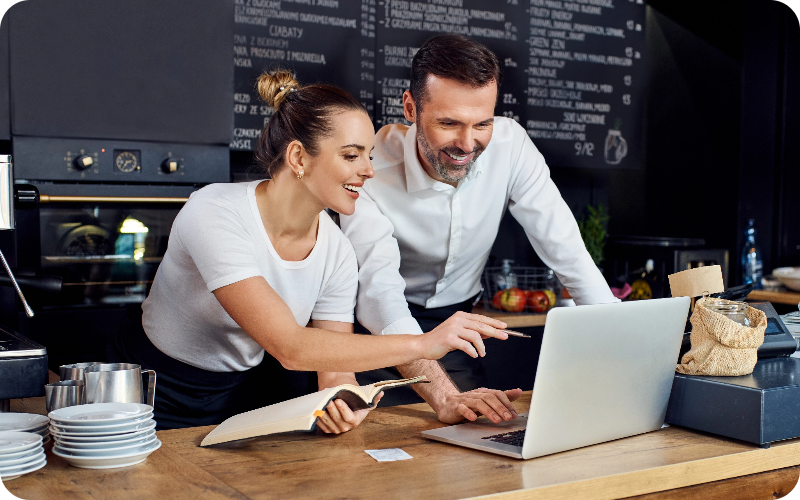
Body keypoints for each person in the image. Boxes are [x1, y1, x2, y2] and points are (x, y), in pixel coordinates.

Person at [110, 69, 513, 431]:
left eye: (369, 156)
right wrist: (425, 343)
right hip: (149, 392)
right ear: (299, 157)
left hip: (242, 397)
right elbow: (291, 346)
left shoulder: (336, 250)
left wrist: (341, 399)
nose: (369, 170)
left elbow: (333, 367)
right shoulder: (215, 212)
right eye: (352, 155)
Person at [340, 35, 618, 424]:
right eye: (449, 123)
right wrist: (441, 397)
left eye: (482, 123)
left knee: (469, 448)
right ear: (410, 108)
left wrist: (622, 344)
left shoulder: (511, 146)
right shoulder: (370, 170)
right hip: (376, 334)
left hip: (458, 328)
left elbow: (566, 249)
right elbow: (378, 295)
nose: (467, 143)